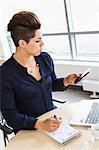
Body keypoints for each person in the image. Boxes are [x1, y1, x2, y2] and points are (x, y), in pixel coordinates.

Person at [0, 11, 80, 133]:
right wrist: (40, 124)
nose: (42, 44)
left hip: (52, 119)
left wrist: (66, 81)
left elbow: (51, 84)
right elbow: (11, 117)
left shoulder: (45, 59)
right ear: (22, 43)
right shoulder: (5, 74)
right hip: (28, 128)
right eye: (37, 41)